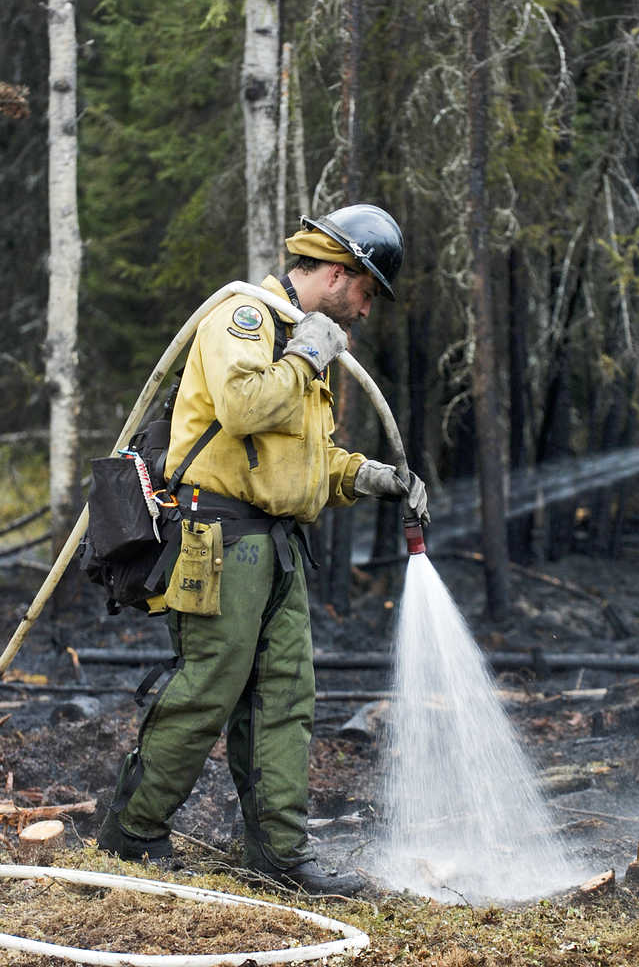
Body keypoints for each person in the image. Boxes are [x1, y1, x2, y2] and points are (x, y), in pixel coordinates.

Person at [97, 203, 428, 895]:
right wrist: (309, 351)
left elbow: (300, 462)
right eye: (367, 292)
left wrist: (372, 477)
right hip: (218, 539)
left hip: (274, 545)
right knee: (208, 689)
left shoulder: (300, 340)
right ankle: (132, 835)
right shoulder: (244, 319)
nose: (365, 311)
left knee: (286, 698)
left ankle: (278, 855)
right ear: (341, 275)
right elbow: (246, 408)